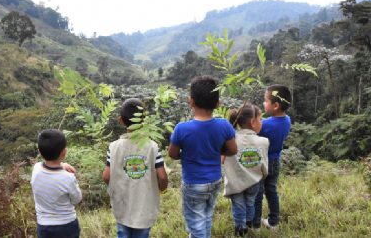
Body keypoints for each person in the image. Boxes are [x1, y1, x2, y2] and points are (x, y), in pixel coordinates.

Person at [168, 76, 237, 238]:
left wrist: (185, 154)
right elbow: (232, 150)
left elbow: (172, 154)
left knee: (196, 222)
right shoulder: (224, 125)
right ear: (218, 103)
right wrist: (216, 151)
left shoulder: (181, 129)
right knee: (206, 215)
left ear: (190, 101)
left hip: (193, 183)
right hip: (214, 180)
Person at [103, 98, 168, 238]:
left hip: (122, 203)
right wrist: (162, 188)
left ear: (120, 120)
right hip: (144, 204)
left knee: (123, 231)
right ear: (144, 120)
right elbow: (162, 176)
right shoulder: (152, 146)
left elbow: (106, 177)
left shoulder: (113, 147)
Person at [222, 104, 269, 237]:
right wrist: (262, 176)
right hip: (254, 182)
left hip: (235, 182)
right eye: (261, 119)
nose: (262, 122)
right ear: (253, 122)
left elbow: (223, 159)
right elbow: (264, 165)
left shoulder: (230, 140)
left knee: (238, 206)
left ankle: (240, 229)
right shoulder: (263, 141)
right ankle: (248, 223)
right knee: (250, 203)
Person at [253, 85, 292, 231]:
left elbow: (252, 134)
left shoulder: (265, 124)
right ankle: (273, 222)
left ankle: (255, 224)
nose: (263, 103)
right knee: (271, 191)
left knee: (258, 193)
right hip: (276, 161)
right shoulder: (287, 120)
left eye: (265, 101)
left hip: (262, 162)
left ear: (275, 105)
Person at [31, 129, 82, 238]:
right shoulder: (68, 178)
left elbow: (45, 165)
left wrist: (62, 165)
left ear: (40, 151)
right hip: (67, 225)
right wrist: (64, 166)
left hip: (44, 226)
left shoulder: (36, 169)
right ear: (64, 152)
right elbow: (77, 199)